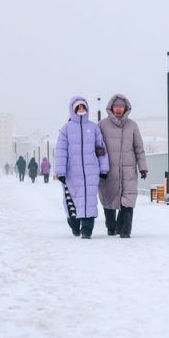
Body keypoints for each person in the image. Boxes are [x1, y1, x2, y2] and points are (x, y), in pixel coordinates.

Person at [55, 96, 109, 238]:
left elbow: (101, 149)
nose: (80, 109)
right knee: (72, 201)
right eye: (78, 107)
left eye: (83, 106)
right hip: (72, 173)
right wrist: (60, 171)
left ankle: (87, 230)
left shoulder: (93, 128)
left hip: (91, 171)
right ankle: (74, 225)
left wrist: (104, 168)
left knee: (89, 200)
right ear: (72, 109)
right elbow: (60, 151)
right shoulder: (66, 129)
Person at [98, 93, 148, 238]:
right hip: (108, 171)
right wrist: (97, 152)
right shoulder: (102, 125)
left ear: (126, 108)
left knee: (128, 199)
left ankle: (125, 230)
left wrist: (143, 167)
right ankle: (111, 227)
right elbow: (95, 144)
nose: (119, 109)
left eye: (121, 107)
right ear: (111, 108)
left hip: (128, 170)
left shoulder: (132, 125)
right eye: (116, 106)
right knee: (108, 198)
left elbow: (139, 148)